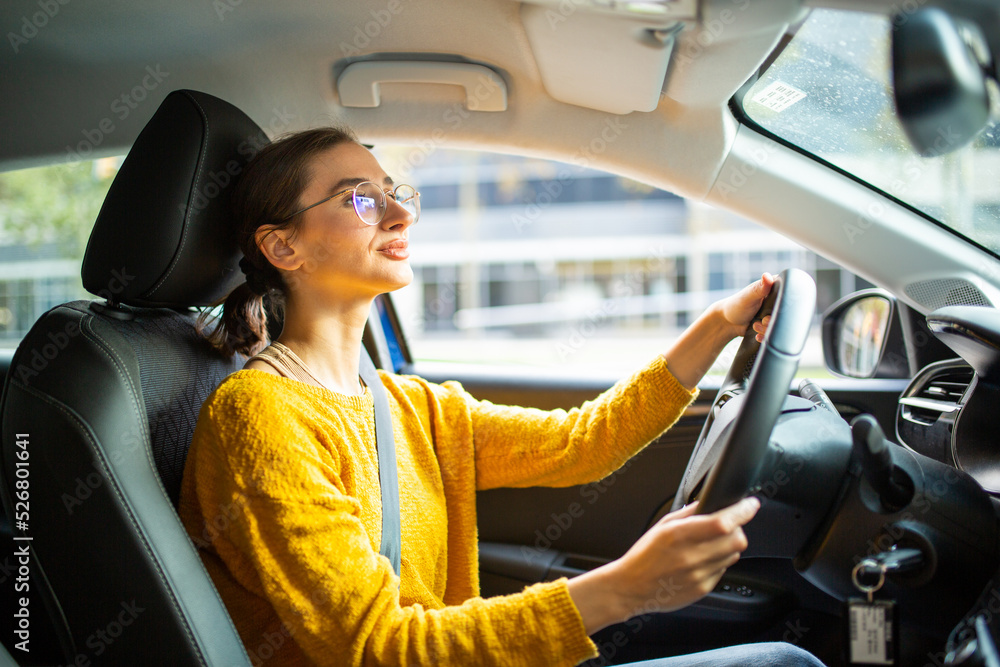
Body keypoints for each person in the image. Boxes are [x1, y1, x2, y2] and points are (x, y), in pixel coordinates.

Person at [179, 127, 824, 667]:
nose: (402, 213)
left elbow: (583, 444)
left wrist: (716, 328)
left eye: (396, 194)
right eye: (362, 201)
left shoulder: (411, 408)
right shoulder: (258, 419)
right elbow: (378, 646)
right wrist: (627, 588)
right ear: (282, 245)